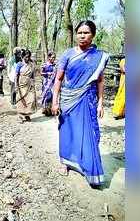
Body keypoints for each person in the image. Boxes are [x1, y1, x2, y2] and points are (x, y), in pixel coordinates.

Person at [52, 20, 110, 187]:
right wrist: (55, 101)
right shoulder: (68, 54)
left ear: (93, 35)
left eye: (86, 32)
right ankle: (66, 161)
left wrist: (100, 102)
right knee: (67, 131)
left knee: (88, 133)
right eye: (80, 32)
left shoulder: (99, 57)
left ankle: (89, 168)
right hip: (69, 100)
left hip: (88, 100)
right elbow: (58, 79)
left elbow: (100, 81)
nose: (82, 35)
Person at [15, 49, 37, 122]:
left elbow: (33, 75)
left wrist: (33, 83)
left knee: (31, 99)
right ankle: (20, 116)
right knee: (21, 99)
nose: (27, 58)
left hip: (29, 84)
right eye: (26, 57)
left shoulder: (31, 64)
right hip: (21, 84)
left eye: (28, 57)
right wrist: (16, 86)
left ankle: (27, 114)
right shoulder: (19, 64)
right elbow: (16, 76)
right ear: (22, 56)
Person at [39, 52, 57, 116]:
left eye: (54, 57)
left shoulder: (55, 65)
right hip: (46, 82)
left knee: (52, 95)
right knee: (47, 95)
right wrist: (48, 73)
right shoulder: (44, 65)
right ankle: (45, 110)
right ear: (49, 58)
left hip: (53, 82)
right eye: (52, 57)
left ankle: (52, 110)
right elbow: (41, 73)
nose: (53, 59)